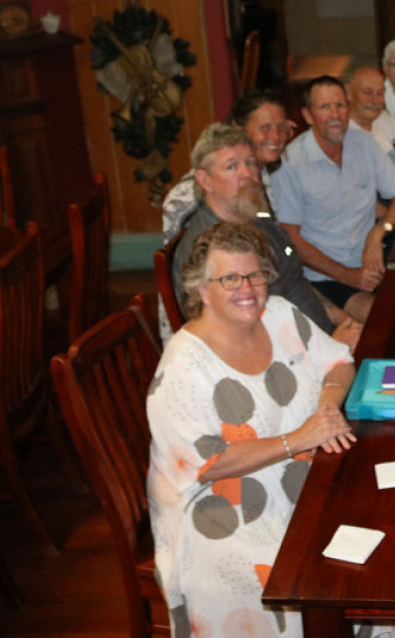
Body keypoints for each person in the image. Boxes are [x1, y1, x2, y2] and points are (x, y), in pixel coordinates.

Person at [148, 221, 357, 637]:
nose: (247, 288)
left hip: (296, 471)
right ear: (201, 291)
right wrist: (299, 438)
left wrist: (325, 409)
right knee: (312, 566)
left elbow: (338, 360)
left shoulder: (279, 314)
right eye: (229, 278)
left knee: (365, 520)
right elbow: (207, 464)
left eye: (255, 274)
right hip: (217, 509)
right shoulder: (183, 368)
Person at [168, 123, 362, 349]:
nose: (248, 174)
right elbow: (237, 341)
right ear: (204, 180)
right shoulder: (208, 253)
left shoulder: (257, 219)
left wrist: (339, 317)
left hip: (322, 341)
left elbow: (295, 279)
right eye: (232, 167)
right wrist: (330, 350)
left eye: (250, 163)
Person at [271, 75, 395, 323]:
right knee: (382, 321)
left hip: (374, 260)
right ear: (307, 116)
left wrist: (379, 232)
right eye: (324, 107)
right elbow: (291, 239)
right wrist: (347, 275)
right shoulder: (290, 163)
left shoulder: (365, 144)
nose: (335, 115)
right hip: (326, 276)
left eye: (340, 106)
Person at [162, 89, 292, 243]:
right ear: (239, 130)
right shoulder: (194, 191)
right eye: (265, 128)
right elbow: (181, 256)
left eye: (281, 127)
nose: (276, 136)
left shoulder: (260, 169)